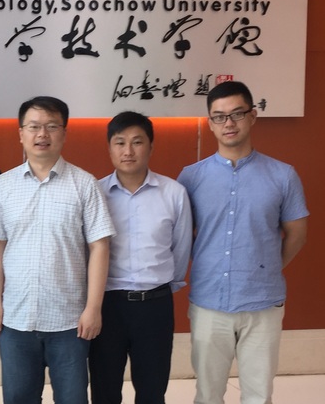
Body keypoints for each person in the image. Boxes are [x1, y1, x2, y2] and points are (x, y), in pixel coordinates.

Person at [178, 81, 308, 404]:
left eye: (237, 114)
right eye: (219, 116)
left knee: (258, 395)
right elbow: (180, 236)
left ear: (253, 116)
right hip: (208, 302)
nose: (229, 123)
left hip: (263, 303)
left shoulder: (283, 175)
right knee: (207, 394)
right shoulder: (191, 177)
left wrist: (268, 266)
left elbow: (297, 233)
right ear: (210, 123)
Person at [0, 96, 114, 404]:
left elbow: (100, 246)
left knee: (72, 399)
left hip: (69, 322)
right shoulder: (4, 185)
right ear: (21, 133)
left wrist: (93, 308)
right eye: (34, 127)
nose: (42, 134)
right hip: (16, 318)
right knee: (18, 399)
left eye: (52, 126)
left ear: (64, 133)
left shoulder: (85, 184)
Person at [89, 111, 193, 404]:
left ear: (151, 146)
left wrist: (163, 286)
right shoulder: (95, 193)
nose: (128, 151)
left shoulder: (174, 193)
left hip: (155, 306)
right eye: (120, 142)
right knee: (104, 390)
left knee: (152, 391)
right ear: (109, 148)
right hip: (107, 305)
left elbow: (181, 248)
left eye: (137, 142)